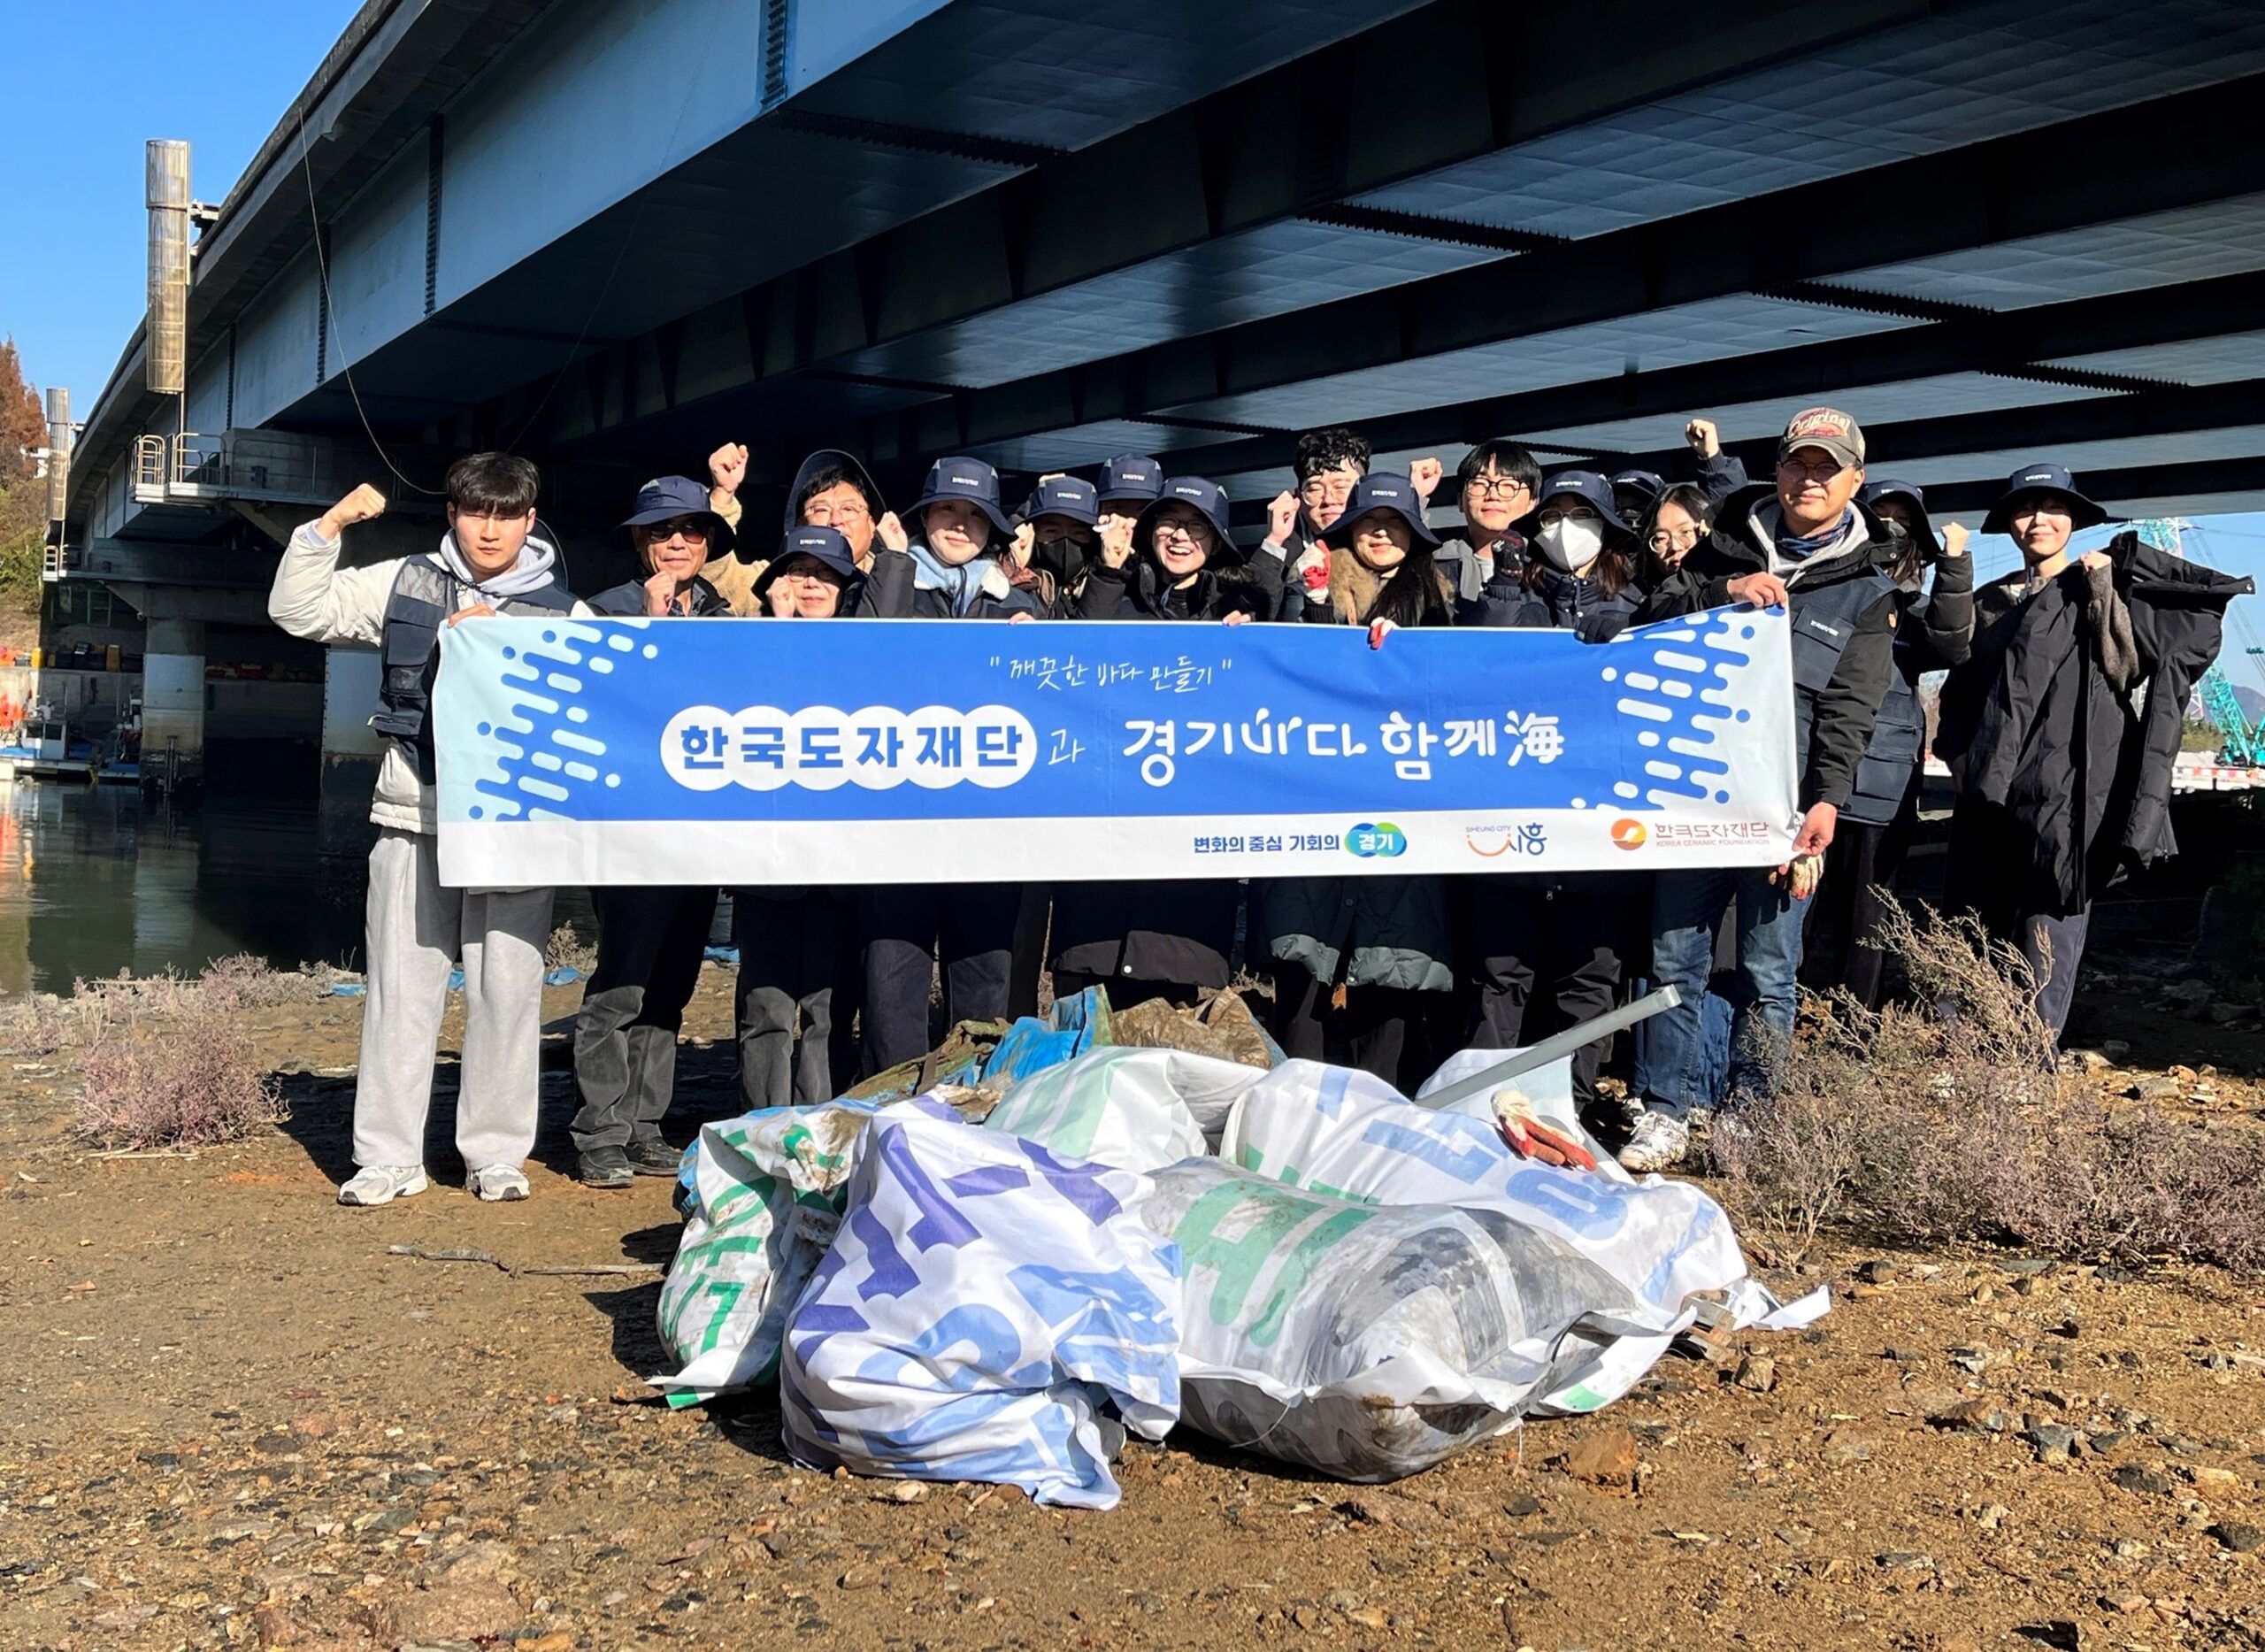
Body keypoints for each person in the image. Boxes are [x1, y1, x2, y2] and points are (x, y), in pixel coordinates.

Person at [266, 456, 586, 1206]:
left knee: (507, 992)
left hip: (515, 826)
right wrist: (332, 524)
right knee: (400, 989)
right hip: (413, 810)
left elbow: (596, 713)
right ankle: (387, 1157)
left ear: (530, 521)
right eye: (477, 510)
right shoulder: (403, 580)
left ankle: (496, 1153)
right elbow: (299, 611)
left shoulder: (567, 614)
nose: (490, 528)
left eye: (507, 514)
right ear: (452, 512)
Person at [1623, 407, 1903, 1171]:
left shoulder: (1869, 593)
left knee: (1769, 971)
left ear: (1855, 481)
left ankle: (1750, 1114)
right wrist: (1723, 592)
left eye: (1827, 467)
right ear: (1776, 470)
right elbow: (1645, 622)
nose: (1809, 479)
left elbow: (1852, 709)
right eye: (1797, 464)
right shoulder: (1719, 549)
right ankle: (1664, 1109)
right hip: (1695, 795)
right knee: (1673, 955)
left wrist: (1825, 805)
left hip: (1783, 811)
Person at [1936, 465, 2248, 1043]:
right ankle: (1964, 1054)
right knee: (1971, 920)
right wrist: (1956, 757)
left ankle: (2031, 1054)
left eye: (2054, 507)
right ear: (2008, 523)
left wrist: (2103, 592)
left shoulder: (2091, 587)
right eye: (2027, 508)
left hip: (2065, 787)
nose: (2040, 520)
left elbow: (2125, 668)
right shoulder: (1990, 603)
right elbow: (1958, 686)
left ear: (2072, 520)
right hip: (1989, 788)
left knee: (2048, 925)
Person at [1254, 472, 1458, 1090]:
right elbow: (1277, 672)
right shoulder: (1311, 585)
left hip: (1401, 818)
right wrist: (1310, 602)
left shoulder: (1438, 603)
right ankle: (1299, 1104)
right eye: (1370, 523)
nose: (1381, 535)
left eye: (1396, 525)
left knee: (1389, 971)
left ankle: (1378, 1109)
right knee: (1304, 969)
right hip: (1314, 810)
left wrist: (1409, 654)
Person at [570, 478, 737, 1188]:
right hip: (629, 831)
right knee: (620, 986)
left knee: (671, 986)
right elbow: (589, 700)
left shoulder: (730, 618)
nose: (678, 542)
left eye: (693, 531)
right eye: (663, 531)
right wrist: (645, 627)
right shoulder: (599, 611)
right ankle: (597, 1130)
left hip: (698, 836)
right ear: (641, 542)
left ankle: (643, 1125)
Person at [853, 457, 1041, 1072]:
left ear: (993, 531)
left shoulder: (1020, 609)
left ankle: (974, 1102)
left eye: (974, 515)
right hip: (897, 823)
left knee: (985, 979)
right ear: (923, 517)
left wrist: (1034, 656)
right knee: (891, 982)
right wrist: (892, 564)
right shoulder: (891, 582)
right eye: (946, 510)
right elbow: (864, 655)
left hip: (991, 829)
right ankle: (891, 1106)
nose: (959, 525)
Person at [1463, 471, 1643, 1103]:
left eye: (1581, 513)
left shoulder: (1642, 606)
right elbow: (1476, 668)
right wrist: (1507, 589)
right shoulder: (1508, 597)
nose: (1565, 527)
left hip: (1600, 835)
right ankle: (1486, 1105)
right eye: (1553, 514)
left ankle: (1571, 1105)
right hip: (1510, 827)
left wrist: (1628, 635)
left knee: (1588, 977)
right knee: (1499, 972)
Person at [1051, 477, 1267, 1007]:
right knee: (1085, 1043)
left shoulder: (1238, 615)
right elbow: (1073, 659)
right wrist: (1106, 571)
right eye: (1169, 524)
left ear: (1216, 542)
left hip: (1185, 871)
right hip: (1101, 852)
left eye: (1197, 527)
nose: (1180, 537)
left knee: (1166, 1045)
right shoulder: (1113, 593)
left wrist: (1252, 642)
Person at [1800, 480, 1973, 1009]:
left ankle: (1856, 1026)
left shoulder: (1914, 611)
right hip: (1812, 779)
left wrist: (1957, 565)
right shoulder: (1823, 592)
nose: (1892, 530)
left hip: (1883, 787)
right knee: (1797, 907)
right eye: (1881, 517)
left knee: (1868, 919)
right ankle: (1784, 1019)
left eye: (1904, 522)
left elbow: (1951, 640)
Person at [736, 526, 866, 1111]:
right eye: (800, 571)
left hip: (841, 868)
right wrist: (778, 632)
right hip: (768, 862)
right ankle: (762, 1121)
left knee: (826, 1010)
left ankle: (821, 1122)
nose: (812, 583)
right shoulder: (751, 644)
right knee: (766, 1008)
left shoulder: (870, 653)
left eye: (827, 574)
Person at [1431, 438, 1540, 619]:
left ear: (1532, 503)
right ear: (1460, 500)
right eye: (1480, 484)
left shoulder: (1546, 571)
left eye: (1508, 486)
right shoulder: (1435, 567)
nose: (1493, 495)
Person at [1019, 474, 1102, 588]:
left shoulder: (1109, 587)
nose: (1065, 542)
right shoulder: (1011, 590)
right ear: (1033, 534)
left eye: (1078, 533)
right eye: (1052, 531)